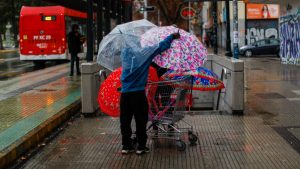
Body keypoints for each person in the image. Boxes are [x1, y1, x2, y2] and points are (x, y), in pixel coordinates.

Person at [120, 32, 180, 155]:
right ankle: (141, 146)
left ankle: (126, 145)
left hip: (125, 93)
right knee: (141, 120)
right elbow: (161, 46)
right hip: (138, 93)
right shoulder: (143, 53)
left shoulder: (124, 53)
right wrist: (172, 37)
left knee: (125, 121)